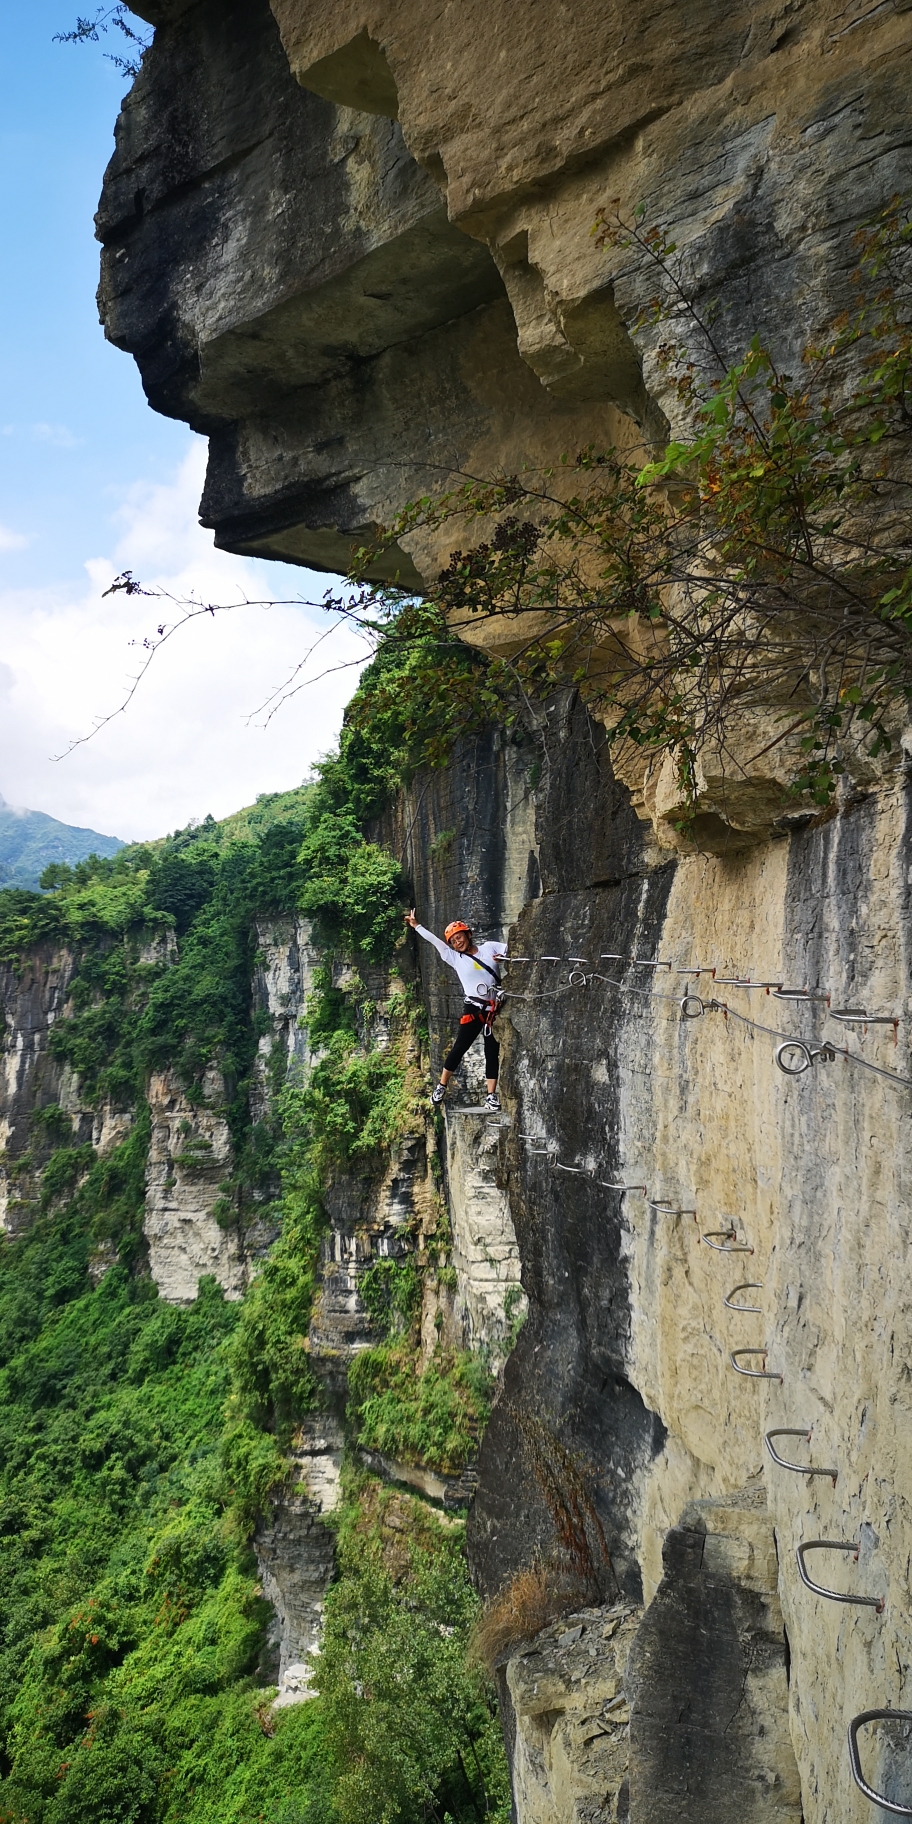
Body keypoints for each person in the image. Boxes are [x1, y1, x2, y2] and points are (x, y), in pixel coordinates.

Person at [404, 909, 506, 1110]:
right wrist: (417, 926)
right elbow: (435, 941)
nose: (457, 942)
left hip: (494, 1009)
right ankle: (441, 1086)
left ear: (468, 934)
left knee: (491, 1051)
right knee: (460, 1047)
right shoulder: (454, 957)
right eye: (453, 941)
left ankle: (491, 1096)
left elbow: (515, 950)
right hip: (474, 1008)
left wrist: (503, 958)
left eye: (459, 937)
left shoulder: (490, 948)